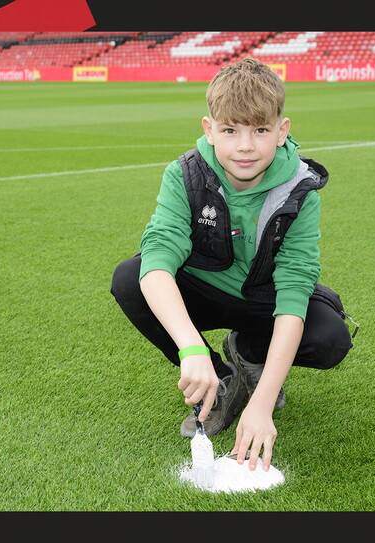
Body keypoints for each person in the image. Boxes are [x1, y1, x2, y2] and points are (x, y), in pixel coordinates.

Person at [111, 57, 354, 473]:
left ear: (282, 131)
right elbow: (157, 261)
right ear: (209, 129)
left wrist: (262, 407)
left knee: (330, 338)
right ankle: (222, 378)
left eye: (260, 130)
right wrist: (190, 348)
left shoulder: (301, 189)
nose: (245, 146)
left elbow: (294, 293)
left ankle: (249, 355)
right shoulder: (184, 175)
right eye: (230, 130)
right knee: (131, 279)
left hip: (263, 299)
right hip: (204, 291)